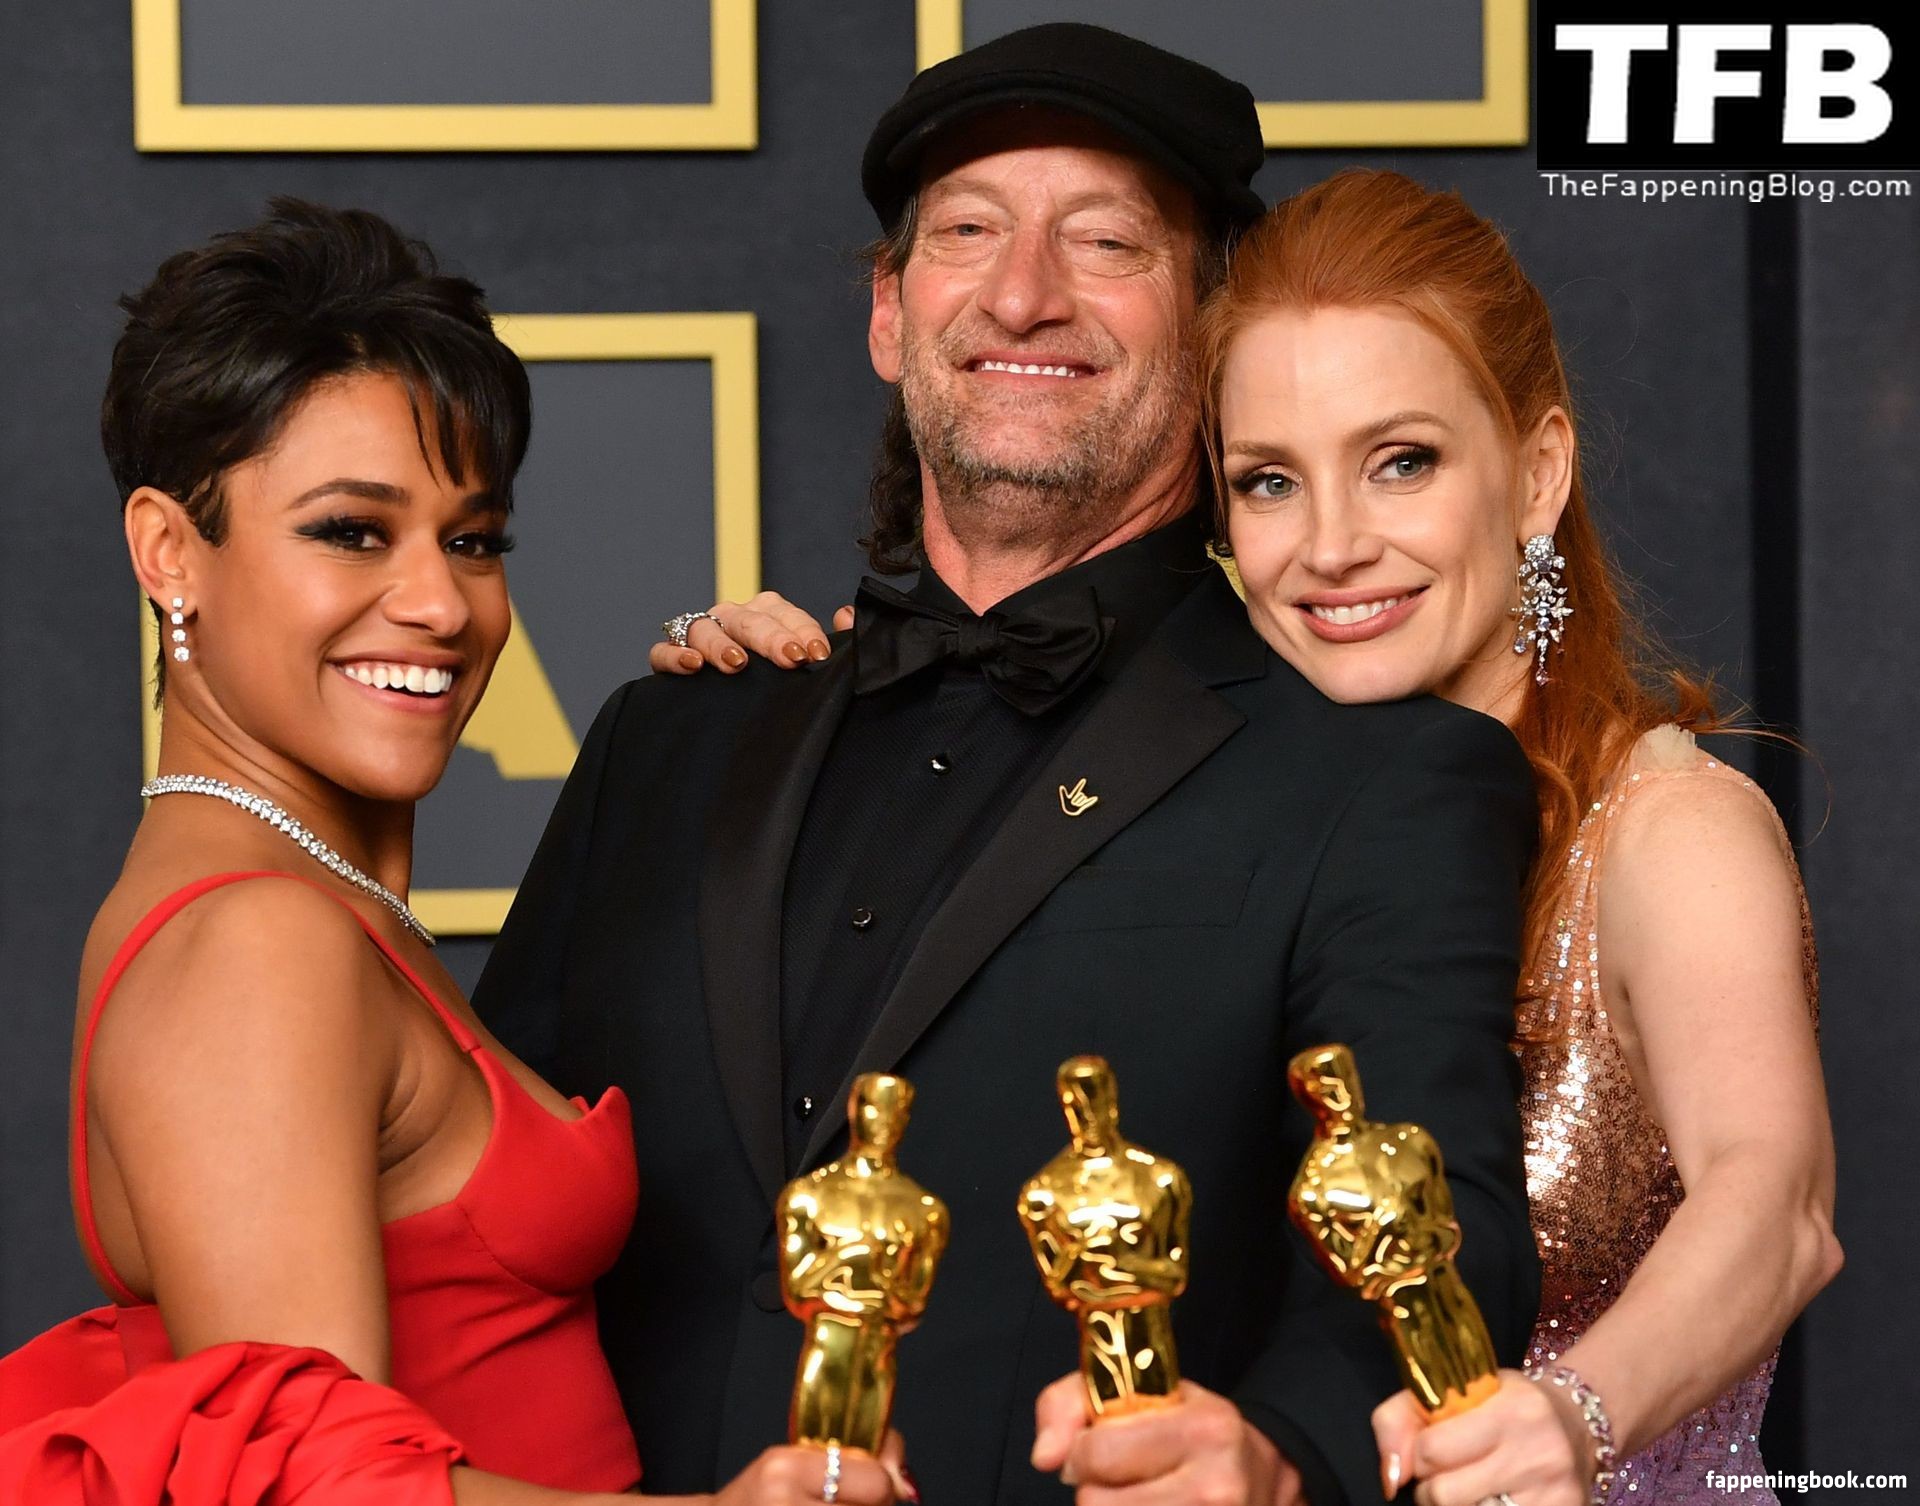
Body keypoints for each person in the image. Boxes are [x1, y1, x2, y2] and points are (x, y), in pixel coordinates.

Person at [479, 25, 1541, 1506]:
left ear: (1210, 326)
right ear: (888, 312)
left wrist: (1280, 1456)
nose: (1024, 292)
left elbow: (1441, 1227)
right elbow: (470, 1222)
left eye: (1105, 241)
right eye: (968, 232)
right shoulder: (667, 739)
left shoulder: (1379, 779)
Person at [672, 169, 1842, 1505]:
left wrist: (1575, 1416)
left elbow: (1778, 1202)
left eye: (1402, 463)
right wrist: (806, 704)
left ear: (1537, 471)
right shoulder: (1221, 814)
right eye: (1272, 481)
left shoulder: (1669, 828)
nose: (1333, 547)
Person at [0, 200, 904, 1506]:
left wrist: (765, 724)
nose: (440, 603)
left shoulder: (311, 900)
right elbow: (310, 1491)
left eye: (472, 541)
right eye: (350, 531)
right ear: (168, 551)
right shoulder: (255, 939)